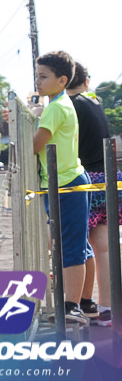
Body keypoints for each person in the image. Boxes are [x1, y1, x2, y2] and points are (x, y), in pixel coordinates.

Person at [32, 50, 91, 324]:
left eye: (44, 76)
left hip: (66, 183)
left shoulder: (55, 108)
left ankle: (71, 306)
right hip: (67, 181)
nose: (37, 81)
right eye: (36, 75)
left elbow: (35, 144)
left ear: (62, 80)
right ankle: (80, 303)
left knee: (70, 247)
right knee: (77, 246)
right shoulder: (60, 102)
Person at [66, 62, 116, 327]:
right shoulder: (94, 104)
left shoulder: (66, 105)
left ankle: (78, 303)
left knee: (76, 248)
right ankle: (107, 308)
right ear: (86, 81)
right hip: (107, 177)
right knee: (105, 249)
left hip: (83, 183)